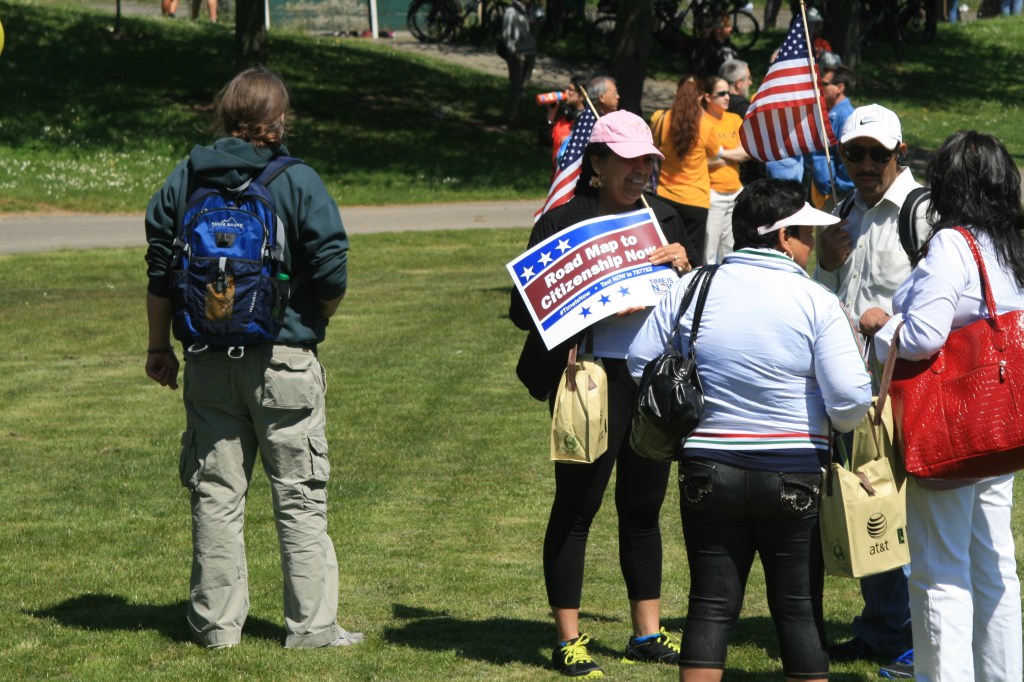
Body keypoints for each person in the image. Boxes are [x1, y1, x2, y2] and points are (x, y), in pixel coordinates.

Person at [144, 66, 361, 650]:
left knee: (216, 495)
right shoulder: (299, 181)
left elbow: (161, 268)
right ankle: (312, 629)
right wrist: (317, 319)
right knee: (298, 494)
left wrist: (158, 348)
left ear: (225, 116)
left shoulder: (184, 179)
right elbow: (333, 267)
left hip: (209, 361)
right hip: (284, 362)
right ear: (279, 121)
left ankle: (215, 627)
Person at [627, 178, 873, 682]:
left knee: (710, 607)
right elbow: (849, 401)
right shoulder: (816, 300)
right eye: (807, 233)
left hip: (706, 470)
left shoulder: (691, 286)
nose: (813, 245)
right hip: (793, 478)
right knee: (799, 612)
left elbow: (639, 362)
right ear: (784, 237)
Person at [509, 111, 694, 679]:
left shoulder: (665, 218)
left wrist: (686, 266)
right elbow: (524, 311)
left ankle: (647, 632)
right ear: (596, 164)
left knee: (644, 507)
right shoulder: (564, 222)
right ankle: (568, 638)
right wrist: (592, 302)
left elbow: (692, 300)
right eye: (630, 161)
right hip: (590, 379)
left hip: (651, 381)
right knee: (577, 506)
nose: (642, 171)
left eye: (649, 161)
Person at [863, 130, 1024, 681]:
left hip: (951, 426)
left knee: (938, 572)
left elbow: (925, 335)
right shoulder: (1012, 245)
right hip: (1000, 424)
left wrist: (883, 326)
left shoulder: (955, 243)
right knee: (994, 565)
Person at [814, 103, 930, 678]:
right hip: (856, 389)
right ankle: (882, 628)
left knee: (903, 511)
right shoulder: (840, 214)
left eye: (876, 154)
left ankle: (916, 638)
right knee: (868, 507)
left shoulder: (922, 212)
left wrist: (895, 321)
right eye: (853, 153)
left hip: (906, 386)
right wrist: (828, 264)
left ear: (898, 154)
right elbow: (826, 301)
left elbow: (951, 300)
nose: (864, 164)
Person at [652, 75, 723, 266]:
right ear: (700, 96)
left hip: (664, 197)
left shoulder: (660, 118)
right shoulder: (706, 126)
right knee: (691, 259)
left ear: (676, 92)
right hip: (696, 201)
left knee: (665, 256)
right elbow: (716, 155)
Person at [701, 75, 748, 264]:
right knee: (709, 250)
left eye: (728, 93)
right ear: (707, 97)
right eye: (721, 94)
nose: (727, 97)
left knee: (730, 249)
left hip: (736, 191)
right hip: (712, 193)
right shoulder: (702, 121)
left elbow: (746, 153)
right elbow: (702, 160)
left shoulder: (734, 119)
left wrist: (719, 154)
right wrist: (732, 157)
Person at [810, 65, 856, 207]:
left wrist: (838, 187)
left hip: (835, 196)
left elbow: (849, 159)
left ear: (840, 88)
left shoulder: (846, 116)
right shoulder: (834, 114)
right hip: (826, 192)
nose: (820, 87)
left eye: (824, 84)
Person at [500, 0, 538, 128]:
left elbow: (533, 32)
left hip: (530, 51)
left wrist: (536, 24)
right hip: (518, 53)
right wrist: (513, 52)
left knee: (523, 87)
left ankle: (519, 116)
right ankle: (511, 117)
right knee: (516, 86)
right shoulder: (511, 12)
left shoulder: (529, 10)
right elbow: (506, 35)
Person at [548, 76, 587, 168]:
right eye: (567, 88)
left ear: (581, 96)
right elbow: (545, 141)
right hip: (557, 171)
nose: (566, 92)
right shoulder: (565, 114)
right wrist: (552, 111)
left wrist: (570, 142)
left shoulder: (587, 120)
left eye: (571, 90)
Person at [690, 14, 739, 78]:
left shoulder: (733, 48)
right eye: (727, 26)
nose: (731, 29)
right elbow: (700, 73)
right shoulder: (706, 50)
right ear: (718, 29)